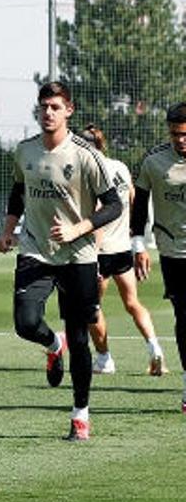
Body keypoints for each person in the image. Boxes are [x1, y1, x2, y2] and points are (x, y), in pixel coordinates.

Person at [0, 82, 122, 441]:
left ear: (69, 110)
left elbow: (114, 204)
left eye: (54, 107)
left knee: (80, 337)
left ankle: (80, 414)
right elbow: (18, 192)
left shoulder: (85, 154)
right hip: (35, 248)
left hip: (78, 255)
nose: (47, 113)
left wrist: (79, 228)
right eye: (43, 107)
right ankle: (53, 345)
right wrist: (8, 230)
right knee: (25, 322)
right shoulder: (25, 151)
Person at [77, 125, 164, 376]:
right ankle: (154, 348)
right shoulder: (121, 167)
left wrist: (91, 256)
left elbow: (97, 215)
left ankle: (104, 359)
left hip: (99, 251)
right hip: (123, 248)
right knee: (133, 302)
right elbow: (135, 200)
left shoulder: (88, 173)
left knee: (92, 308)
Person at [131, 101, 186, 412]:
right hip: (172, 251)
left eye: (185, 134)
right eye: (175, 134)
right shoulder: (154, 161)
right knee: (183, 317)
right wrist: (139, 245)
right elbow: (139, 206)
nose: (180, 140)